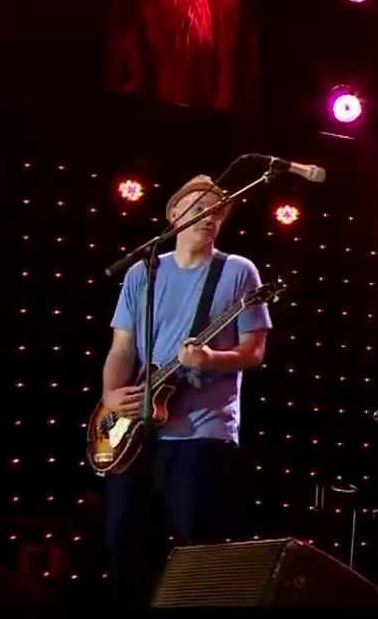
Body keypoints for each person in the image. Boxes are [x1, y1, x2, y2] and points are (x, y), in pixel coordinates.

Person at [101, 174, 272, 607]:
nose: (209, 217)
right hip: (137, 430)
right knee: (125, 539)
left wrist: (211, 360)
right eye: (198, 208)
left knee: (198, 543)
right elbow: (122, 347)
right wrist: (110, 397)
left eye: (218, 211)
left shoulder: (238, 272)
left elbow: (253, 352)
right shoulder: (144, 271)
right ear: (173, 215)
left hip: (203, 430)